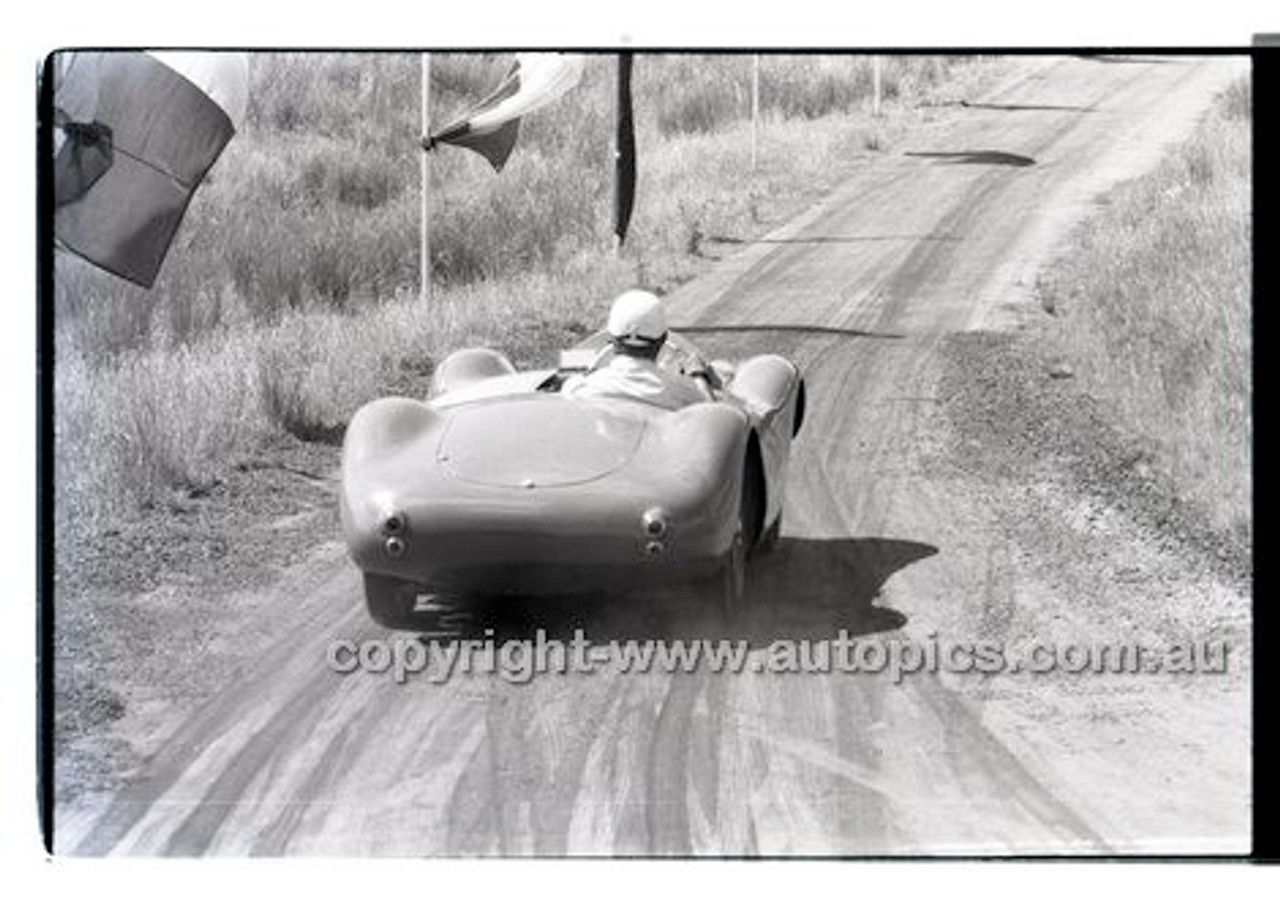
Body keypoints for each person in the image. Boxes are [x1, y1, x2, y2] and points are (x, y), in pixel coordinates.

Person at [563, 289, 713, 409]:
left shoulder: (578, 389)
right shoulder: (683, 393)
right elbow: (710, 414)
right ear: (662, 339)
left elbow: (565, 381)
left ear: (612, 338)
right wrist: (699, 377)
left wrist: (588, 374)